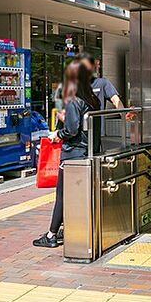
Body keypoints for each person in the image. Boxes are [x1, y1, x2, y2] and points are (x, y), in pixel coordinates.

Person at [33, 60, 100, 248]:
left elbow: (71, 130)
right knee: (79, 196)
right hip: (88, 151)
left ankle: (52, 234)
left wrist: (56, 134)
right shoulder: (92, 99)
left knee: (62, 195)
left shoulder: (73, 100)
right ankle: (72, 228)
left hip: (73, 154)